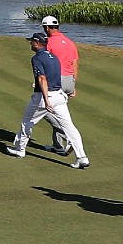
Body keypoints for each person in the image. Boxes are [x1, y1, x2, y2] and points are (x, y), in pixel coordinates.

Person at [7, 29, 88, 167]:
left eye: (32, 41)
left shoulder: (37, 58)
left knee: (27, 122)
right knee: (69, 127)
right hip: (59, 96)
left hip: (44, 97)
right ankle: (82, 157)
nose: (31, 44)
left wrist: (46, 99)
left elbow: (42, 78)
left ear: (38, 43)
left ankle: (19, 149)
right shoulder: (53, 57)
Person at [38, 15, 80, 155]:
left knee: (45, 109)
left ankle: (68, 137)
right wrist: (73, 85)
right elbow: (75, 64)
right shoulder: (69, 42)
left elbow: (45, 61)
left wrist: (41, 80)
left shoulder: (48, 42)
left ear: (47, 28)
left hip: (56, 80)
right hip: (69, 81)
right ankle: (57, 146)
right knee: (59, 110)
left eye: (45, 27)